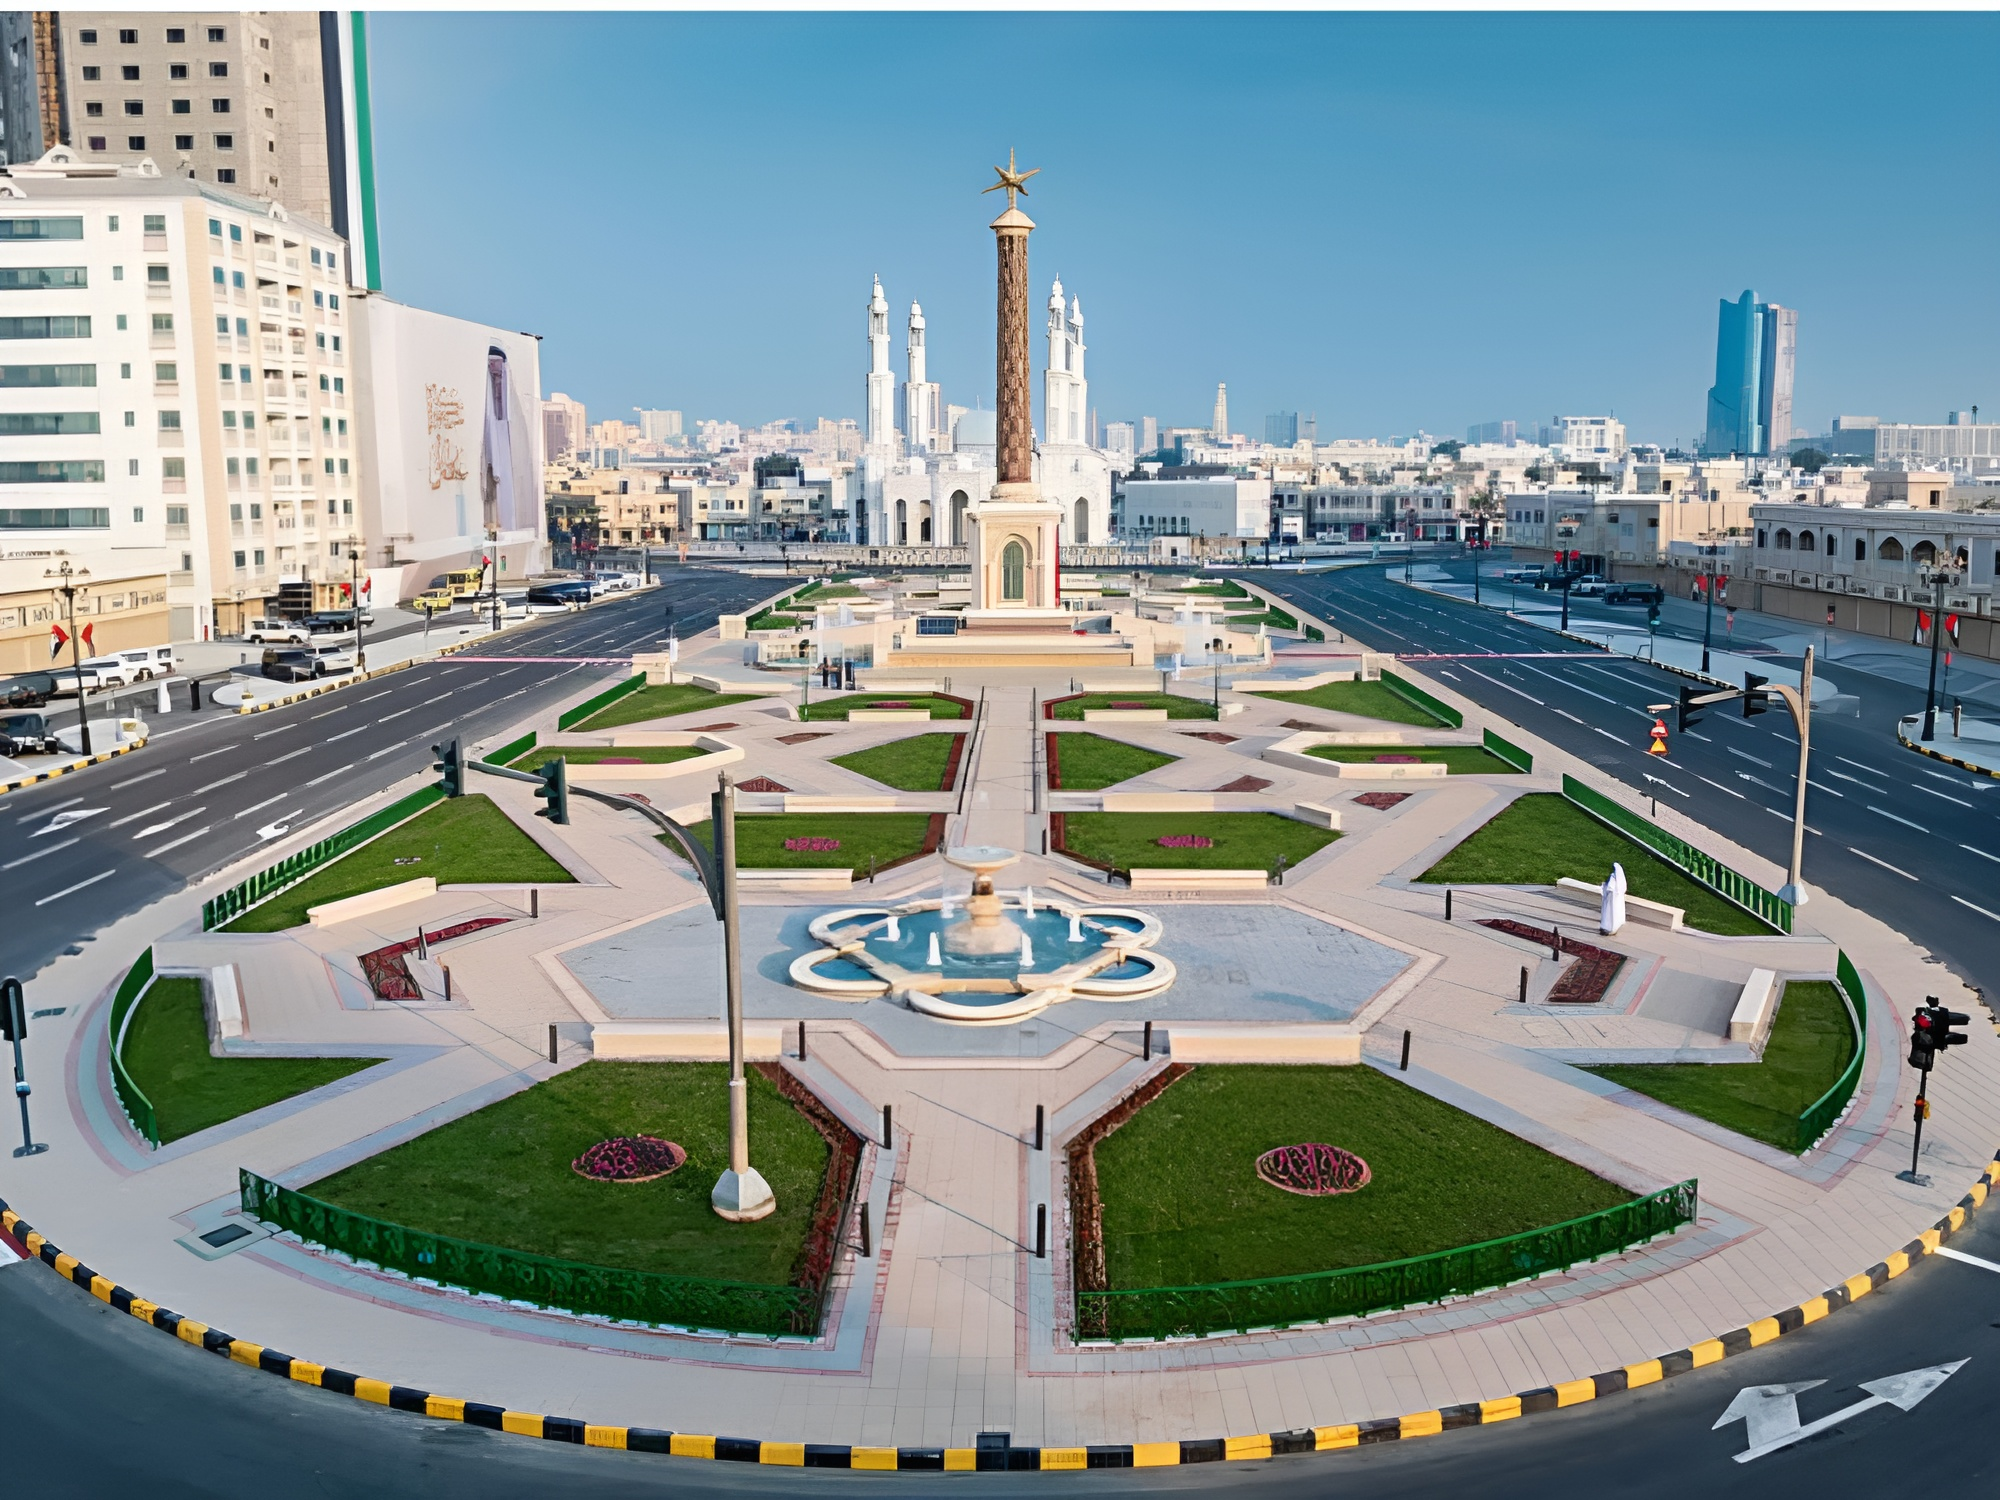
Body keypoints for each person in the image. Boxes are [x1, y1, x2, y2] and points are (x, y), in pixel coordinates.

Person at [1600, 862, 1627, 935]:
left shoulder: (1613, 876)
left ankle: (1606, 927)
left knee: (1609, 913)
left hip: (1611, 897)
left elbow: (1610, 887)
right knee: (1614, 912)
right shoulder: (1621, 877)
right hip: (1616, 898)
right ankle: (1610, 928)